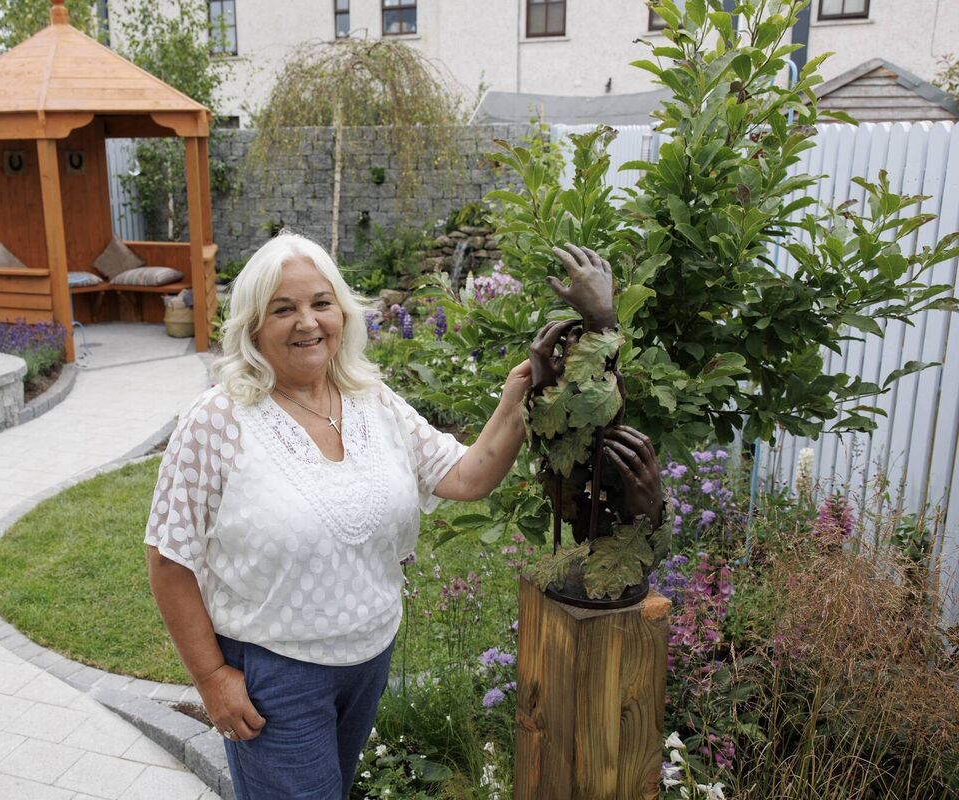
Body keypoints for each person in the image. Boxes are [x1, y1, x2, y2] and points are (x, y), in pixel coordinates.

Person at [142, 232, 647, 798]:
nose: (307, 322)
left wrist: (517, 397)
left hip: (367, 661)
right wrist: (212, 677)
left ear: (342, 312)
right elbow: (168, 555)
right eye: (283, 309)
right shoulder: (217, 419)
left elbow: (465, 476)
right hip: (275, 675)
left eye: (321, 303)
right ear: (253, 325)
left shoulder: (371, 401)